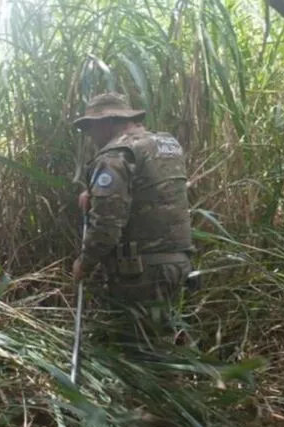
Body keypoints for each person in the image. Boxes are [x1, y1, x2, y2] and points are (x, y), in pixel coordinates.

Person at [71, 92, 195, 347]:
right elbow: (147, 191)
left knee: (138, 352)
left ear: (107, 122)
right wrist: (94, 192)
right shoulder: (165, 145)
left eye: (92, 127)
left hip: (140, 273)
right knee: (161, 341)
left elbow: (106, 225)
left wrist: (84, 263)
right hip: (176, 264)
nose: (91, 136)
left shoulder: (115, 155)